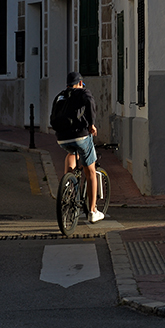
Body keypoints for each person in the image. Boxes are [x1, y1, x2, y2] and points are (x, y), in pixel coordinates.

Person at [50, 71, 105, 222]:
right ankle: (93, 211)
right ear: (80, 83)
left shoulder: (60, 96)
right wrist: (92, 125)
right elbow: (90, 103)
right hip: (80, 135)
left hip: (62, 138)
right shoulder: (82, 92)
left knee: (72, 153)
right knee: (91, 172)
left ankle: (68, 183)